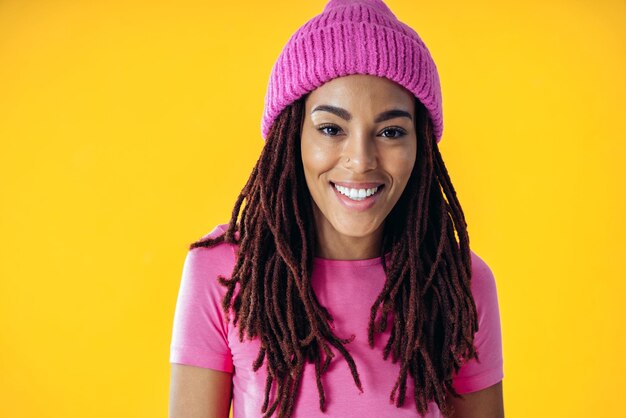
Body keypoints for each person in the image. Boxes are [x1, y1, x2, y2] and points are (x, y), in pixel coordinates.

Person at [168, 0, 504, 417]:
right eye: (331, 128)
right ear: (291, 137)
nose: (361, 160)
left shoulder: (460, 283)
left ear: (420, 146)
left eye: (391, 131)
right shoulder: (226, 271)